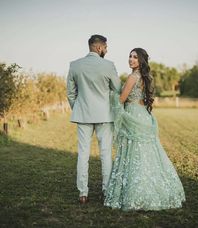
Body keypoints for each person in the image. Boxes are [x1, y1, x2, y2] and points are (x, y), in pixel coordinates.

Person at [104, 48, 186, 211]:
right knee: (148, 153)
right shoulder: (146, 77)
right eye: (130, 56)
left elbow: (121, 99)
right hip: (144, 116)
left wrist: (111, 93)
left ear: (141, 61)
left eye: (135, 57)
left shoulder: (132, 77)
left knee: (133, 151)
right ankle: (156, 187)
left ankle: (136, 192)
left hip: (132, 114)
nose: (131, 59)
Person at [67, 34, 121, 204]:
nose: (106, 50)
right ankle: (106, 191)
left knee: (83, 154)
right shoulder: (108, 65)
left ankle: (83, 193)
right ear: (99, 48)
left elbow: (70, 93)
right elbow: (118, 89)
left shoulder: (75, 65)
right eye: (105, 47)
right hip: (105, 115)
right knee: (105, 154)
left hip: (83, 115)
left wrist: (79, 108)